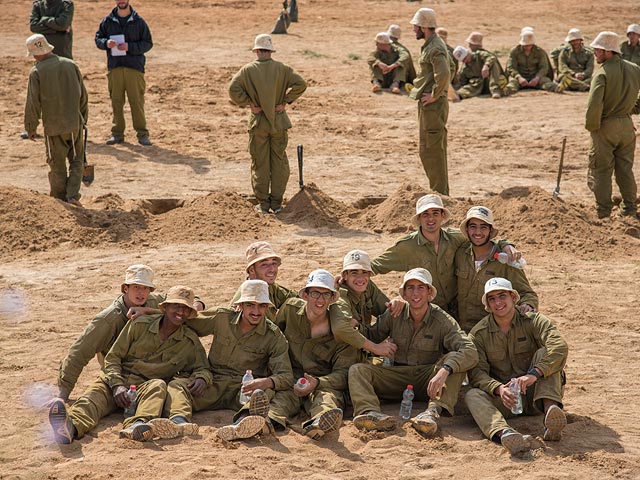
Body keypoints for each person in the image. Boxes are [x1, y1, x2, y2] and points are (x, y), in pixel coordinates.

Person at [48, 286, 213, 443]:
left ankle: (137, 425)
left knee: (158, 385)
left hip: (144, 389)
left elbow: (203, 367)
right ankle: (70, 428)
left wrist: (202, 378)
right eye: (176, 306)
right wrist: (116, 385)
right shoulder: (138, 324)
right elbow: (113, 357)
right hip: (116, 381)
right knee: (91, 401)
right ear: (165, 307)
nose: (180, 312)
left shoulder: (189, 341)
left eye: (185, 309)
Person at [349, 268, 477, 436]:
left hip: (428, 380)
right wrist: (354, 325)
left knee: (454, 362)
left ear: (429, 293)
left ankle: (432, 412)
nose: (415, 293)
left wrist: (445, 370)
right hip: (395, 374)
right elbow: (372, 335)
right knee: (357, 370)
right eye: (410, 288)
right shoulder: (394, 313)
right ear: (404, 294)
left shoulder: (442, 320)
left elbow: (469, 351)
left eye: (421, 288)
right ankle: (370, 413)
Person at [53, 264, 205, 402]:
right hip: (120, 372)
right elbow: (79, 352)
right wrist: (63, 394)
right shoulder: (108, 319)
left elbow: (187, 300)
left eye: (145, 288)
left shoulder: (153, 301)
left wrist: (148, 310)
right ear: (126, 288)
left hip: (151, 369)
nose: (141, 292)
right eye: (136, 287)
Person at [170, 279, 294, 441]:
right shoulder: (222, 317)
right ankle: (179, 422)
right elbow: (185, 319)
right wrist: (150, 312)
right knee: (176, 385)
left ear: (267, 308)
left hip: (243, 391)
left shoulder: (274, 336)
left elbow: (286, 376)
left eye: (261, 306)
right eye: (250, 305)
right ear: (240, 305)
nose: (256, 311)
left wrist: (264, 382)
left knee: (264, 392)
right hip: (213, 383)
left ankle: (243, 422)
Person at [465, 278, 568, 454]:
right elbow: (477, 373)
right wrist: (499, 389)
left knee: (545, 353)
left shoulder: (534, 321)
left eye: (502, 296)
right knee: (472, 395)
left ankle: (551, 414)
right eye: (492, 298)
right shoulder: (478, 334)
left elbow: (559, 347)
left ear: (513, 297)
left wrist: (533, 375)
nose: (498, 302)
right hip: (508, 400)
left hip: (537, 394)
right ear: (487, 305)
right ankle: (504, 433)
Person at [371, 194, 518, 316]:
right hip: (427, 314)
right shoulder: (406, 246)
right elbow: (374, 267)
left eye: (435, 213)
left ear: (442, 216)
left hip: (458, 312)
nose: (431, 219)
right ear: (419, 219)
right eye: (425, 214)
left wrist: (506, 245)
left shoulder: (456, 238)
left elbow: (482, 237)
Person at [268, 269, 357, 439]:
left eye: (326, 295)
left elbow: (343, 373)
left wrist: (317, 382)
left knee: (327, 400)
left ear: (332, 299)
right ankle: (268, 421)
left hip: (322, 383)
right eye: (315, 293)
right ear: (306, 295)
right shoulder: (290, 310)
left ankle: (319, 423)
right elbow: (274, 339)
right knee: (281, 400)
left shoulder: (341, 332)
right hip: (291, 379)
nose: (320, 300)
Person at [229, 34, 307, 214]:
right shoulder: (283, 69)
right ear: (271, 51)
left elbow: (232, 89)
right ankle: (277, 203)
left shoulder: (247, 70)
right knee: (279, 161)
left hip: (258, 124)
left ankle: (263, 204)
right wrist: (286, 100)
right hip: (279, 122)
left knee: (260, 163)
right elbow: (301, 84)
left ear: (256, 50)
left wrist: (249, 103)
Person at [24, 33, 87, 207]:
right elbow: (84, 96)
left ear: (35, 53)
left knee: (57, 164)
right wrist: (83, 119)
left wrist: (31, 128)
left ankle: (59, 201)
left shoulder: (36, 72)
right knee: (77, 160)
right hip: (75, 123)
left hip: (53, 127)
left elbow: (32, 103)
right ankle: (73, 196)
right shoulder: (70, 65)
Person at [454, 206, 538, 333]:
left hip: (492, 333)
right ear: (466, 229)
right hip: (462, 329)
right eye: (473, 226)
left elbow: (527, 293)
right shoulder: (460, 253)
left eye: (483, 227)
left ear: (490, 230)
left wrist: (528, 305)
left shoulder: (506, 260)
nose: (478, 232)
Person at [585, 31, 640, 219]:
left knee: (601, 170)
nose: (594, 54)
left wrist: (593, 128)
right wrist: (630, 109)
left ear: (608, 52)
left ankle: (603, 212)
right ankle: (630, 209)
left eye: (598, 51)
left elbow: (594, 105)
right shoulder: (634, 68)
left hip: (605, 126)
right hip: (627, 125)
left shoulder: (602, 74)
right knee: (625, 169)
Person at [95, 0, 153, 146]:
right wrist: (106, 43)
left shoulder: (139, 22)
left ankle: (142, 134)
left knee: (137, 102)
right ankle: (117, 134)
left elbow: (148, 43)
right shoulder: (107, 21)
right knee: (116, 102)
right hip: (115, 68)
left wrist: (130, 47)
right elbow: (98, 39)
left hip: (134, 68)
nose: (121, 1)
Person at [409, 8, 451, 195]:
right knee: (428, 149)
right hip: (430, 105)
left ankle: (440, 193)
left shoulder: (434, 47)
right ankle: (439, 191)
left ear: (423, 27)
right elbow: (452, 66)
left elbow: (444, 73)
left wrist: (435, 94)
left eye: (416, 26)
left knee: (432, 150)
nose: (413, 30)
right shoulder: (432, 44)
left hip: (433, 105)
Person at [338, 249, 403, 363]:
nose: (360, 278)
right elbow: (341, 329)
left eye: (364, 272)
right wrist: (375, 348)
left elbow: (387, 311)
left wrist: (398, 301)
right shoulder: (340, 296)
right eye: (354, 272)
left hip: (365, 340)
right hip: (343, 352)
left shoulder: (368, 287)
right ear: (345, 275)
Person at [230, 241, 298, 319]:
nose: (272, 269)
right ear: (252, 270)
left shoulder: (269, 287)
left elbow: (294, 297)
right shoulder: (246, 299)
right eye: (264, 265)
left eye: (274, 263)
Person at [506, 29, 558, 94]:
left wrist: (537, 78)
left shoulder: (540, 52)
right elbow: (511, 67)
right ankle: (508, 91)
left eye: (529, 45)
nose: (527, 47)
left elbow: (544, 68)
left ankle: (556, 88)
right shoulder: (515, 52)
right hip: (520, 77)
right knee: (512, 83)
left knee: (546, 82)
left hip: (536, 78)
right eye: (525, 45)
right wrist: (519, 77)